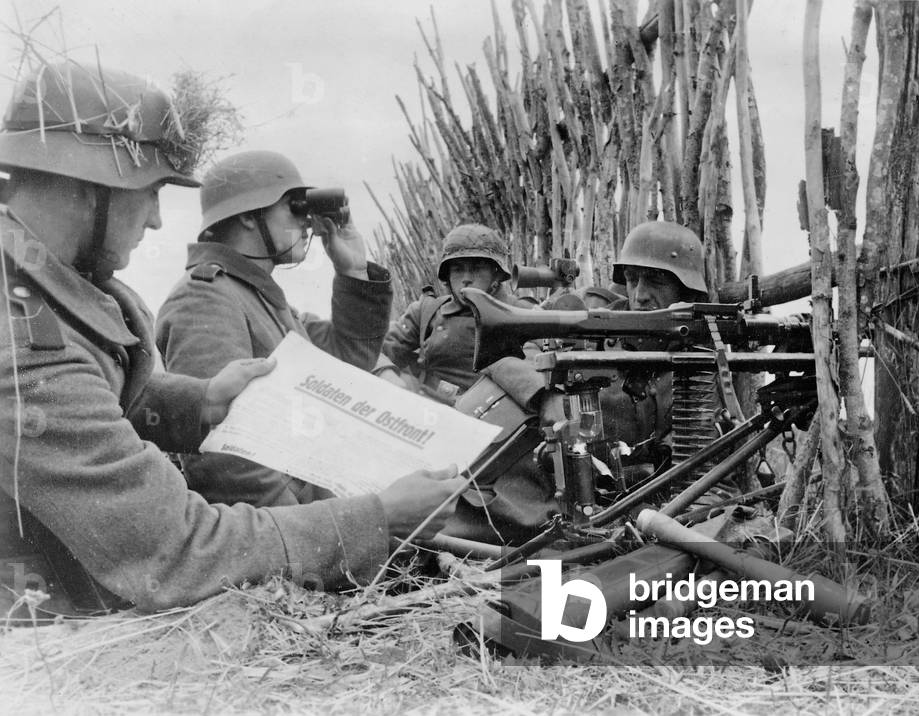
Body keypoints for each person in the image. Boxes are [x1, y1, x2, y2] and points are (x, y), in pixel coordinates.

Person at [0, 61, 464, 621]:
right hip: (55, 630)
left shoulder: (66, 294)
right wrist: (368, 524)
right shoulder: (25, 338)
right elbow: (173, 546)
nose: (153, 221)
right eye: (149, 193)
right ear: (87, 187)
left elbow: (103, 397)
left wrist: (202, 403)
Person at [442, 221, 714, 542]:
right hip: (551, 473)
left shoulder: (703, 354)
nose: (640, 295)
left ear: (686, 289)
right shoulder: (595, 318)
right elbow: (509, 353)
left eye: (656, 282)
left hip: (624, 494)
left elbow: (697, 449)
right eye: (632, 280)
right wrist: (545, 395)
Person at [155, 151, 392, 507]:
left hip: (317, 511)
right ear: (250, 217)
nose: (307, 223)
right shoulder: (204, 298)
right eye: (294, 208)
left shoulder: (260, 298)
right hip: (291, 531)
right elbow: (227, 457)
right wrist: (325, 535)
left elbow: (349, 362)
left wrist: (354, 271)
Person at [382, 223, 532, 404]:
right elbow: (376, 350)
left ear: (496, 275)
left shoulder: (523, 313)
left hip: (503, 419)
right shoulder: (426, 311)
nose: (467, 278)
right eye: (458, 269)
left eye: (477, 268)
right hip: (434, 412)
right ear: (447, 277)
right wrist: (387, 374)